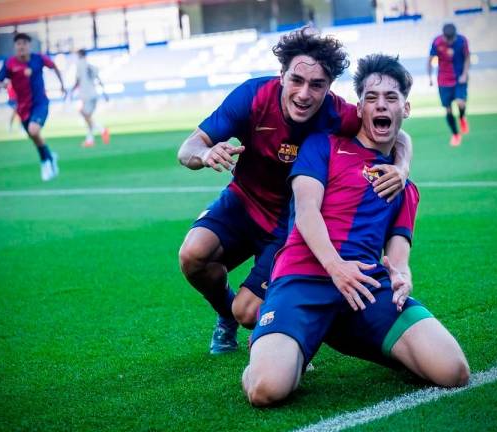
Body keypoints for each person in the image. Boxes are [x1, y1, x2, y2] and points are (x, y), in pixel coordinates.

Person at [243, 54, 469, 406]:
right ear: (359, 108)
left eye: (391, 98)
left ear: (404, 109)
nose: (382, 105)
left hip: (364, 287)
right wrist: (336, 268)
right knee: (266, 389)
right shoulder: (324, 145)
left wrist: (402, 276)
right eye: (372, 98)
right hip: (303, 278)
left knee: (452, 371)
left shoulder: (405, 188)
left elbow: (398, 253)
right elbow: (305, 213)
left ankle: (335, 333)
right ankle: (280, 338)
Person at [177, 27, 413, 355]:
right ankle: (223, 315)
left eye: (317, 85)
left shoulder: (337, 113)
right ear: (282, 76)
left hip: (287, 224)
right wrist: (203, 154)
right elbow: (187, 148)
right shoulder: (253, 97)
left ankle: (294, 330)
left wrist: (401, 169)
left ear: (329, 87)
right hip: (243, 200)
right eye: (296, 80)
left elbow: (396, 132)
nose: (304, 94)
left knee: (247, 312)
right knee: (192, 256)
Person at [0, 33, 66, 181]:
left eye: (24, 43)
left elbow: (54, 67)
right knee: (34, 138)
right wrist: (4, 84)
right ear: (15, 46)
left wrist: (62, 85)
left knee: (34, 130)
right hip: (23, 108)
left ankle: (45, 162)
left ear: (29, 45)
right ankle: (49, 156)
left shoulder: (39, 58)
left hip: (40, 103)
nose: (21, 46)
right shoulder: (9, 63)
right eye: (18, 43)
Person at [428, 23, 470, 147]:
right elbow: (430, 60)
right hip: (443, 80)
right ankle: (455, 134)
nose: (450, 41)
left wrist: (464, 74)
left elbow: (467, 58)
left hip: (459, 78)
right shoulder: (437, 42)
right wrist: (430, 77)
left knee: (460, 102)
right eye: (448, 39)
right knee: (448, 109)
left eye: (452, 39)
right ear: (444, 36)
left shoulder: (462, 41)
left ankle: (462, 118)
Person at [71, 48, 110, 147]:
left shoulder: (79, 65)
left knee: (85, 116)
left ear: (79, 55)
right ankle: (90, 140)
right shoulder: (92, 66)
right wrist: (105, 94)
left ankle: (102, 130)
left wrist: (71, 92)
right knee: (88, 119)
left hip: (86, 95)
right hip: (94, 94)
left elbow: (77, 81)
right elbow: (99, 80)